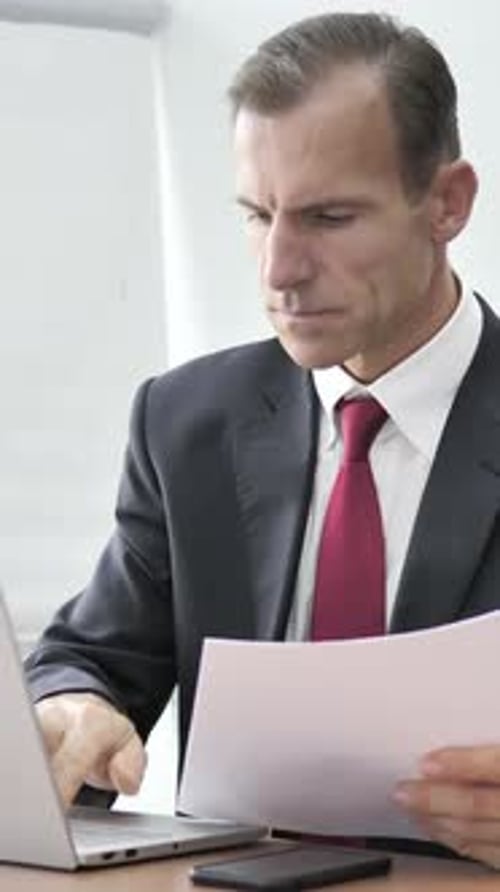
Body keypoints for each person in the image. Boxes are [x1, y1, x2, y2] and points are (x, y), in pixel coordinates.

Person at [25, 11, 500, 869]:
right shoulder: (186, 422)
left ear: (447, 204)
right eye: (256, 215)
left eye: (329, 217)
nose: (279, 270)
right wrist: (71, 707)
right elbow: (87, 657)